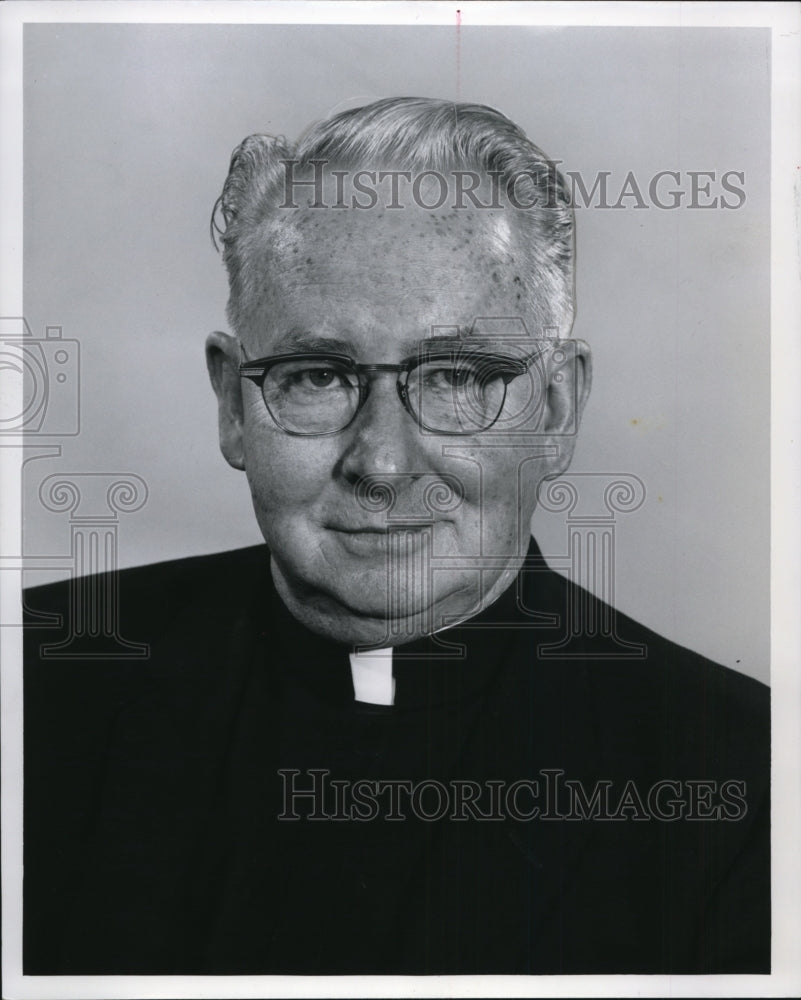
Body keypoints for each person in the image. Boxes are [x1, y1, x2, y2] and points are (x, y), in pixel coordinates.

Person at [23, 98, 769, 975]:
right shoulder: (31, 684)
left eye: (454, 375)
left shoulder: (745, 781)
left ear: (556, 410)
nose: (380, 463)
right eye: (316, 376)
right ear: (231, 405)